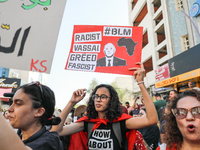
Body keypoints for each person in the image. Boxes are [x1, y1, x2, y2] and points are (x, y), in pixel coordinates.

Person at [51, 62, 158, 150]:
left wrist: (141, 83)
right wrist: (71, 102)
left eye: (103, 96)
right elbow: (56, 131)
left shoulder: (121, 122)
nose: (98, 99)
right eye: (96, 96)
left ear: (111, 100)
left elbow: (152, 119)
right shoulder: (86, 123)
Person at [0, 81, 63, 150]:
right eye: (11, 103)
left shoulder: (50, 141)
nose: (9, 109)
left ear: (39, 112)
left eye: (18, 103)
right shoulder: (19, 137)